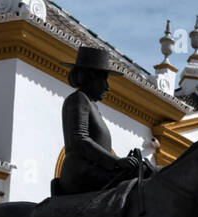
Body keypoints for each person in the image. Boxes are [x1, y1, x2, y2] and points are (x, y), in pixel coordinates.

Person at [57, 46, 156, 196]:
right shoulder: (79, 99)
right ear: (91, 77)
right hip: (81, 173)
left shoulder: (91, 104)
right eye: (104, 80)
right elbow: (80, 140)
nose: (107, 87)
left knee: (144, 171)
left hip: (92, 171)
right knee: (145, 174)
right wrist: (116, 162)